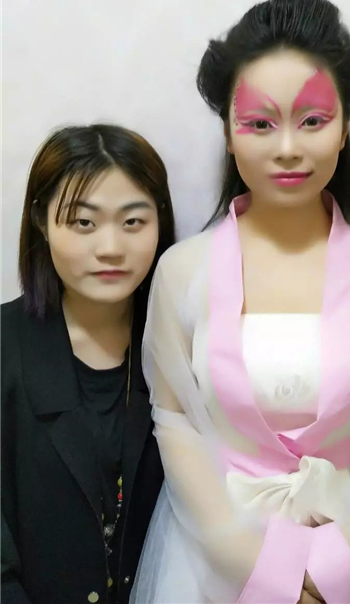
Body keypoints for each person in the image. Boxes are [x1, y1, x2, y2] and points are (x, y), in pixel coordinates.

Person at [131, 0, 350, 604]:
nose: (288, 147)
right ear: (229, 135)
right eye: (260, 124)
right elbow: (174, 422)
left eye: (312, 121)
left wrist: (338, 562)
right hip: (216, 564)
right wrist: (262, 568)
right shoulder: (181, 272)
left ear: (344, 128)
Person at [2, 124, 176, 604]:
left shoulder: (182, 347)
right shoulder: (5, 346)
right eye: (83, 222)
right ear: (41, 221)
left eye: (133, 221)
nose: (110, 248)